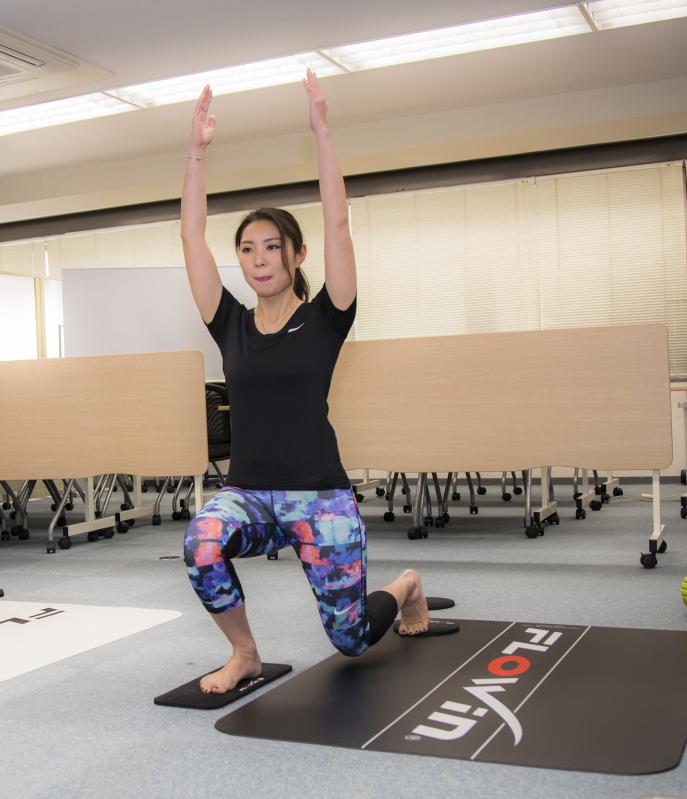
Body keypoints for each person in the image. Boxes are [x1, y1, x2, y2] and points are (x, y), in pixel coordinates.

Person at [180, 71, 444, 694]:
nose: (259, 258)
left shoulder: (327, 318)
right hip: (250, 495)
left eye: (273, 247)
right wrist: (196, 153)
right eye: (247, 249)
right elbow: (192, 235)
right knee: (201, 541)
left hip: (319, 498)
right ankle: (244, 654)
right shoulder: (229, 325)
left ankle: (405, 586)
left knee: (350, 640)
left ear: (296, 255)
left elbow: (340, 226)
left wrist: (322, 133)